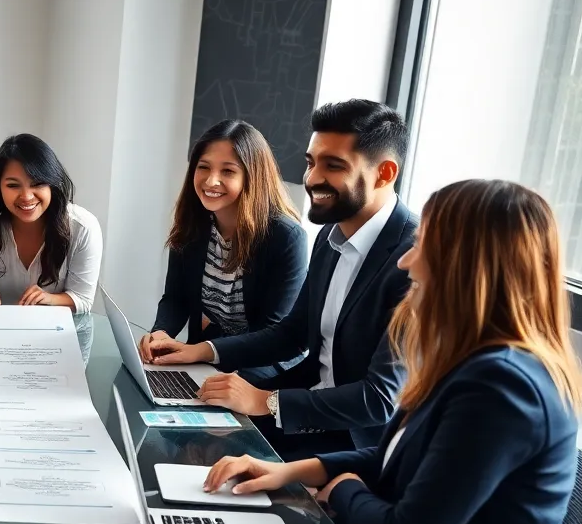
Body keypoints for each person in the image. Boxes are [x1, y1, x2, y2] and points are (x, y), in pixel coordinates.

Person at [145, 179, 582, 524]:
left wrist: (344, 491)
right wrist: (285, 471)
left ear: (469, 266)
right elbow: (393, 459)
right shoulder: (475, 362)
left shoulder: (504, 390)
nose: (405, 262)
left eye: (424, 246)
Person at [149, 100, 418, 457]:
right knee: (179, 435)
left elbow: (379, 400)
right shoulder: (330, 236)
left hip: (356, 442)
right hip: (303, 408)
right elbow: (292, 335)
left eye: (333, 166)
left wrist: (268, 402)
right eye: (311, 162)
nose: (311, 179)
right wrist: (201, 350)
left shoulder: (415, 259)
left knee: (207, 456)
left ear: (384, 173)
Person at [140, 120, 307, 380]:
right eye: (203, 167)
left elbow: (273, 332)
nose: (211, 180)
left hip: (265, 365)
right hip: (208, 356)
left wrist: (203, 351)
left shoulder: (286, 238)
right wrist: (161, 332)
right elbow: (176, 298)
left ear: (252, 177)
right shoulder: (193, 224)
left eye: (228, 171)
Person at [0, 134, 103, 312]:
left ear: (53, 184)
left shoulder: (83, 227)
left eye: (38, 184)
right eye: (13, 186)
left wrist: (48, 299)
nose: (27, 197)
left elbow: (82, 299)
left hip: (55, 333)